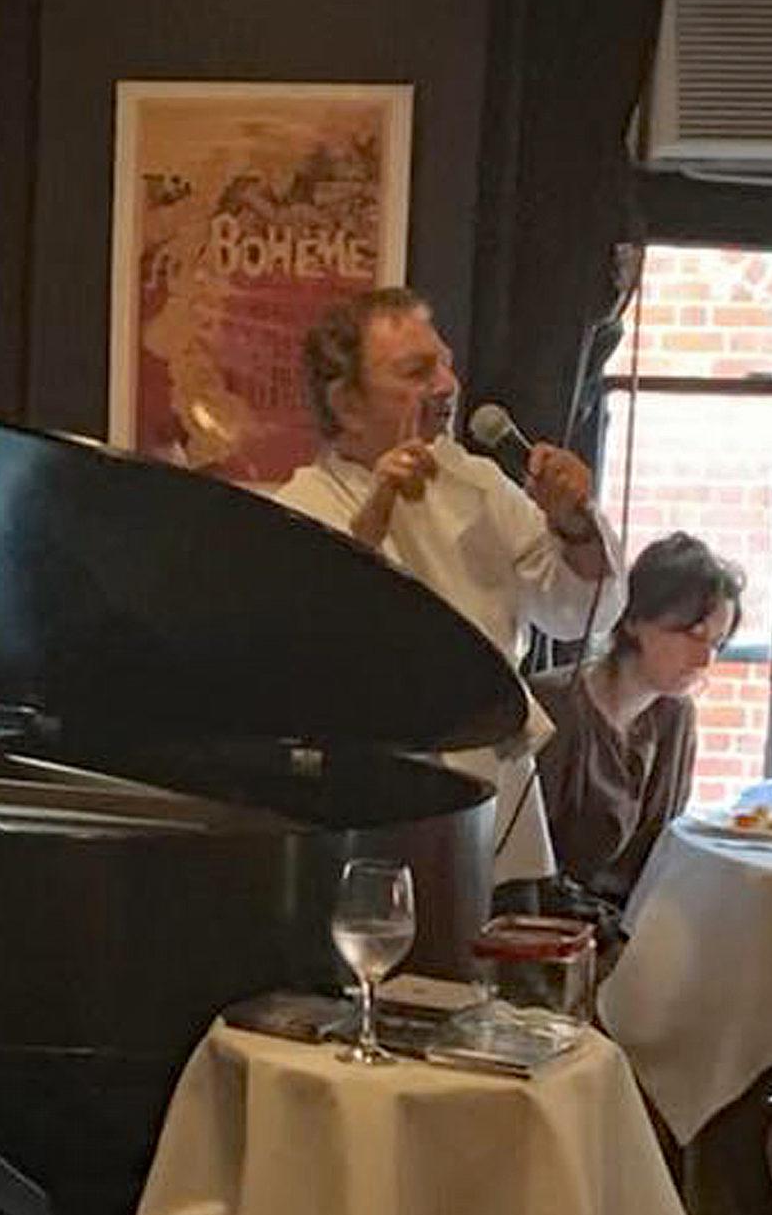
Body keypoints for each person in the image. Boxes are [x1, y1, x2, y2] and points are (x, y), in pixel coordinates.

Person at [272, 289, 625, 882]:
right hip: (371, 811)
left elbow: (575, 610)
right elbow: (327, 642)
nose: (447, 385)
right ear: (348, 404)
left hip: (498, 797)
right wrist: (378, 508)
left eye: (445, 362)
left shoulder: (479, 483)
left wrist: (573, 523)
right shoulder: (299, 507)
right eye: (416, 372)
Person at [533, 533, 745, 912]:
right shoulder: (555, 707)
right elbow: (528, 868)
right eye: (691, 634)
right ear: (633, 620)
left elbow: (660, 853)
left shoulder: (675, 715)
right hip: (547, 930)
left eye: (716, 644)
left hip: (629, 925)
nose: (704, 661)